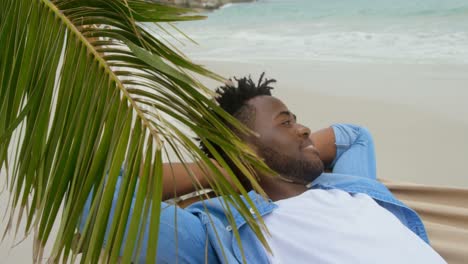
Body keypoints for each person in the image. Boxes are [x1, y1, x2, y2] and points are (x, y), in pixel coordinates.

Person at [80, 74, 446, 263]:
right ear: (243, 146)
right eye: (286, 123)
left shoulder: (345, 187)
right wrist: (226, 169)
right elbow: (93, 193)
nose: (304, 129)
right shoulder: (223, 237)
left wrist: (288, 157)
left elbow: (352, 136)